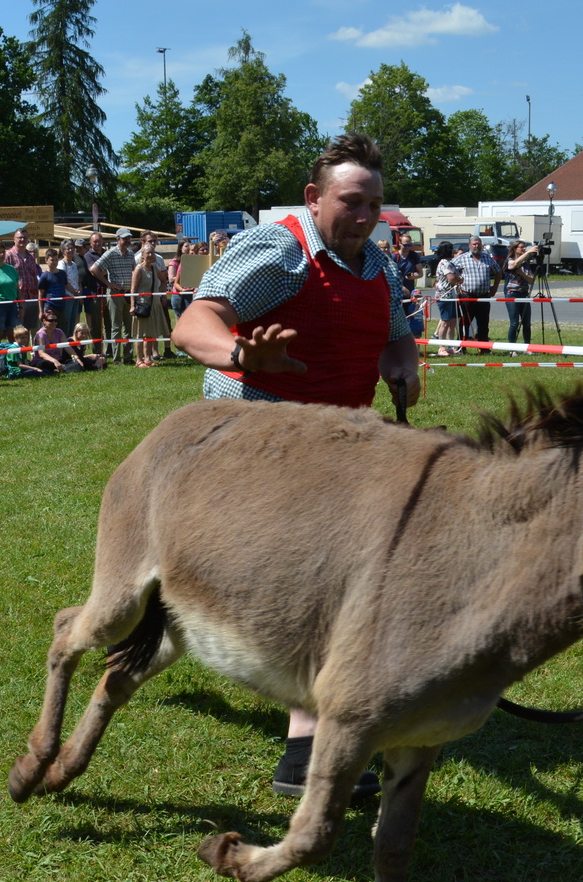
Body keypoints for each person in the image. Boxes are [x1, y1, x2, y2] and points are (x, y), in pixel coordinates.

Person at [171, 133, 419, 800]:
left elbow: (394, 330)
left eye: (374, 204)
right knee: (326, 585)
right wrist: (240, 355)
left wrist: (403, 362)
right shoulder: (281, 251)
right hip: (255, 440)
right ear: (314, 198)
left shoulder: (378, 264)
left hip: (340, 448)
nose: (365, 216)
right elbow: (194, 323)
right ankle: (309, 745)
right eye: (351, 202)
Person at [92, 230, 138, 363]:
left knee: (129, 326)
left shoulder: (130, 254)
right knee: (116, 327)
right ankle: (117, 358)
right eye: (125, 238)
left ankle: (128, 358)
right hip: (115, 294)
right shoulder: (111, 253)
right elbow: (94, 269)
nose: (128, 240)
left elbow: (134, 270)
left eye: (129, 238)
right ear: (118, 239)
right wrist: (108, 283)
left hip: (128, 293)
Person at [130, 236, 171, 367]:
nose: (151, 255)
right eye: (148, 253)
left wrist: (161, 293)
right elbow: (133, 289)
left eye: (152, 252)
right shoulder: (138, 269)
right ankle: (139, 360)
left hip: (154, 304)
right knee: (140, 333)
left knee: (150, 333)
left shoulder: (154, 269)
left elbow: (164, 280)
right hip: (142, 304)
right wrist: (132, 305)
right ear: (142, 255)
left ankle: (148, 359)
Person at [450, 234, 500, 341]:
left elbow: (498, 271)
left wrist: (495, 287)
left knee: (483, 323)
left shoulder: (487, 258)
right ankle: (462, 347)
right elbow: (449, 269)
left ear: (481, 245)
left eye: (478, 244)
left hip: (484, 296)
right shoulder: (461, 258)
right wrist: (456, 283)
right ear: (469, 246)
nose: (476, 246)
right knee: (464, 323)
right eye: (474, 244)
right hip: (467, 296)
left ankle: (484, 348)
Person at [4, 229, 42, 332]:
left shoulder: (31, 257)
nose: (22, 239)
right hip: (17, 299)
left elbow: (34, 276)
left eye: (25, 238)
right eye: (19, 237)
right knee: (19, 331)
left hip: (32, 297)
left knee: (32, 329)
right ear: (14, 239)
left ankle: (33, 348)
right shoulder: (8, 255)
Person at [432, 241, 460, 353]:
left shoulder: (450, 263)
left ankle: (450, 346)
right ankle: (441, 347)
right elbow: (451, 279)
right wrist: (459, 279)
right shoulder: (445, 263)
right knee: (445, 321)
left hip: (452, 296)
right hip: (444, 296)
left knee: (452, 321)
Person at [503, 240, 533, 342]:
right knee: (514, 323)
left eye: (525, 247)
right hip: (512, 294)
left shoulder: (526, 264)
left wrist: (522, 274)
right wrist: (529, 252)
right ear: (515, 249)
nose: (524, 249)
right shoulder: (509, 260)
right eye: (521, 247)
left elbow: (531, 280)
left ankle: (527, 347)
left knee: (527, 323)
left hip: (524, 294)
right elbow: (513, 265)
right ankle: (512, 348)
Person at [31, 308, 75, 373]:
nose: (54, 323)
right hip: (43, 361)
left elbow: (67, 346)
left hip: (58, 359)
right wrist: (54, 361)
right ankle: (62, 368)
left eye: (55, 320)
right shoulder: (41, 334)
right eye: (51, 320)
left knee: (73, 360)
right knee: (45, 364)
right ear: (44, 321)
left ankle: (62, 368)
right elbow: (41, 353)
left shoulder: (59, 332)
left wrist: (75, 356)